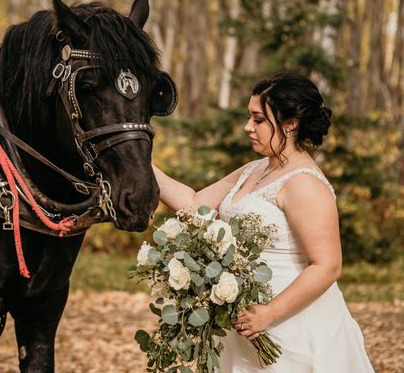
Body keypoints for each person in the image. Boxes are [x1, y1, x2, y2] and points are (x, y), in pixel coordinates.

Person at [153, 73, 374, 372]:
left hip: (292, 325)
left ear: (290, 123)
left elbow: (328, 265)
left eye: (258, 119)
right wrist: (137, 160)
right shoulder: (253, 170)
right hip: (245, 320)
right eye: (249, 117)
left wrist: (268, 314)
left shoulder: (304, 184)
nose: (248, 126)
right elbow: (194, 205)